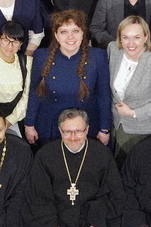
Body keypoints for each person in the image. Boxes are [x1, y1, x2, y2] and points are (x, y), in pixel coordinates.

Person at [26, 11, 112, 145]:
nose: (70, 37)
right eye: (64, 32)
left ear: (83, 33)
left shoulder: (98, 56)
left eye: (75, 31)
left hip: (87, 124)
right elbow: (35, 93)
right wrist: (29, 125)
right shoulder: (41, 56)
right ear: (56, 35)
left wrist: (104, 129)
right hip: (50, 123)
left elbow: (104, 95)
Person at [107, 16, 151, 157]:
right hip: (115, 124)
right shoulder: (113, 50)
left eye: (136, 37)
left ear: (146, 37)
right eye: (125, 37)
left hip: (141, 130)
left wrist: (133, 113)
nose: (131, 43)